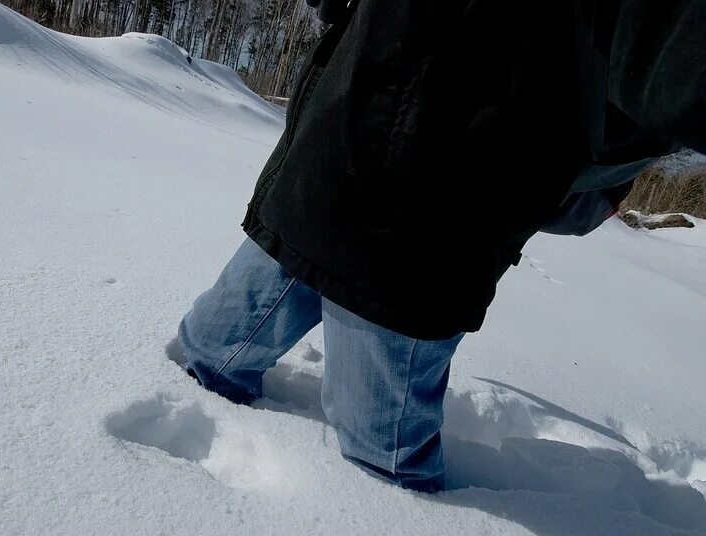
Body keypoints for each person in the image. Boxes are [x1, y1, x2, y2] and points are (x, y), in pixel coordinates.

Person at [171, 0, 706, 493]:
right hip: (425, 221)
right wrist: (595, 168)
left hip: (340, 147)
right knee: (385, 469)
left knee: (209, 357)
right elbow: (675, 73)